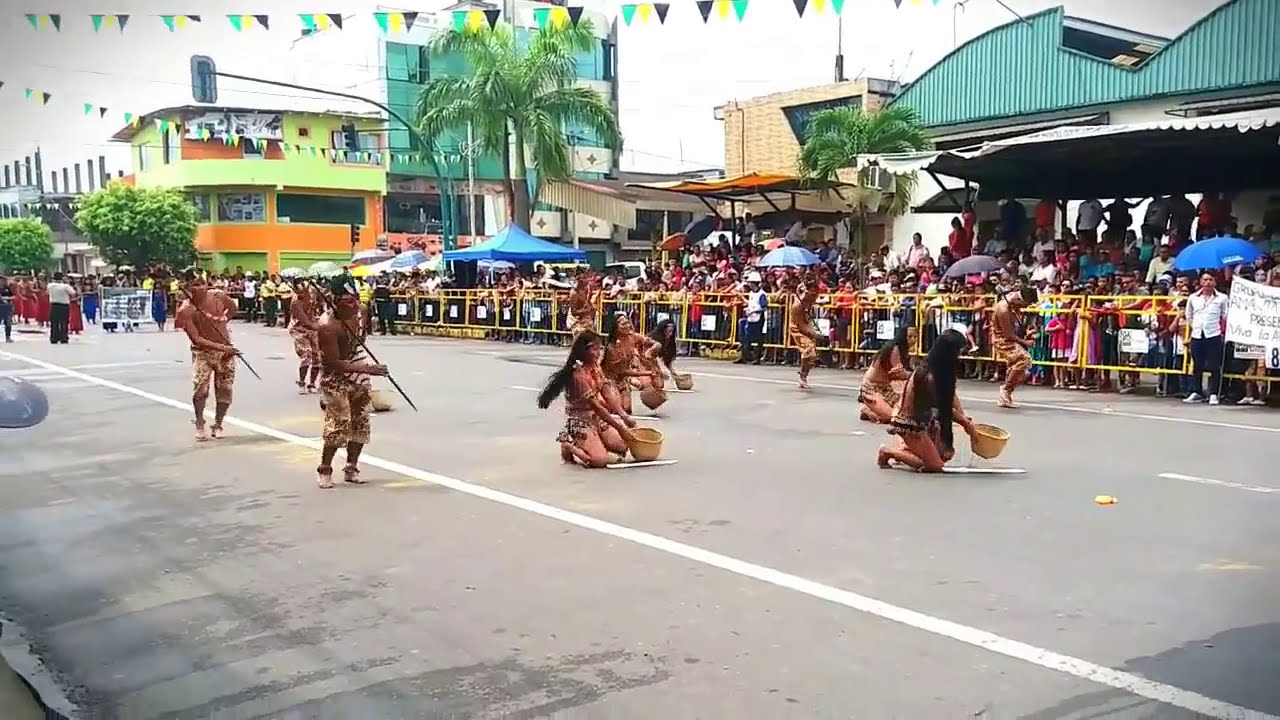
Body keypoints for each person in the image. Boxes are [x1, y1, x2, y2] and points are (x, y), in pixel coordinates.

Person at [315, 274, 388, 489]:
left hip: (357, 368)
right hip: (336, 376)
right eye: (348, 301)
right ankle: (325, 469)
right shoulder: (327, 326)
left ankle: (351, 466)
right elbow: (333, 363)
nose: (354, 304)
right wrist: (368, 369)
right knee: (339, 425)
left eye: (356, 298)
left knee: (361, 421)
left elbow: (358, 342)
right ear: (335, 300)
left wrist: (362, 361)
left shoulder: (361, 313)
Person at [877, 329, 979, 473]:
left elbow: (950, 399)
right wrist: (965, 423)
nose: (959, 356)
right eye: (958, 352)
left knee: (944, 454)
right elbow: (942, 408)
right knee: (935, 465)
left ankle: (910, 450)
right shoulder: (928, 376)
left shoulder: (941, 372)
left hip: (923, 419)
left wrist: (964, 418)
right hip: (909, 424)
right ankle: (888, 452)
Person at [537, 330, 635, 468]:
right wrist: (619, 427)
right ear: (584, 351)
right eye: (594, 349)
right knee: (599, 460)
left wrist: (623, 416)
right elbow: (597, 406)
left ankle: (597, 442)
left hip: (597, 419)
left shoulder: (595, 367)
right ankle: (568, 444)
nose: (598, 353)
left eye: (599, 348)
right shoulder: (578, 374)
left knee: (623, 445)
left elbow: (607, 393)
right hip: (581, 421)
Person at [175, 271, 240, 441]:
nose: (199, 288)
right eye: (194, 285)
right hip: (203, 353)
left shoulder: (219, 296)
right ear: (187, 288)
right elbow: (197, 339)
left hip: (225, 351)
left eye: (201, 283)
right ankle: (199, 422)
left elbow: (233, 308)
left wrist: (223, 320)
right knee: (200, 391)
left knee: (225, 389)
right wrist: (222, 347)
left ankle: (218, 423)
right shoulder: (185, 310)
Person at [601, 312, 659, 419]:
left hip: (623, 381)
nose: (627, 326)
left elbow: (657, 344)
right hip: (609, 381)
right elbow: (622, 371)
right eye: (623, 324)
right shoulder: (612, 347)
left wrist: (650, 351)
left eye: (628, 323)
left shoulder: (633, 337)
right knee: (616, 413)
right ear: (616, 328)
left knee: (627, 409)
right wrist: (647, 373)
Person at [991, 286, 1039, 408]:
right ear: (1019, 299)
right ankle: (1006, 389)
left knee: (1018, 367)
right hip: (1002, 340)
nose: (1025, 307)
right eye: (1025, 304)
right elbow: (1008, 334)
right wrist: (1025, 342)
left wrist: (1027, 332)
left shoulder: (1013, 304)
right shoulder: (1003, 310)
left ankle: (1007, 392)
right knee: (1024, 359)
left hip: (1011, 337)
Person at [858, 326, 916, 423]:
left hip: (886, 388)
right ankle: (868, 411)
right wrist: (915, 375)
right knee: (892, 417)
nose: (913, 340)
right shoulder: (894, 349)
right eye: (909, 337)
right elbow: (899, 374)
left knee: (906, 412)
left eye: (915, 337)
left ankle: (877, 410)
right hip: (871, 388)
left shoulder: (903, 351)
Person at [289, 279, 323, 393]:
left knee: (317, 356)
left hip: (313, 328)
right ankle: (302, 383)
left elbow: (321, 305)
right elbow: (304, 321)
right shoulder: (296, 303)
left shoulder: (312, 295)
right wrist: (321, 327)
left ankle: (312, 384)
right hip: (299, 329)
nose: (302, 294)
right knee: (307, 354)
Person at [788, 281, 820, 389]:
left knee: (812, 356)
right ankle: (802, 375)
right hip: (797, 328)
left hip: (806, 324)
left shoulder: (811, 299)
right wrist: (812, 333)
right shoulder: (797, 306)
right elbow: (800, 325)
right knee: (809, 351)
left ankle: (804, 375)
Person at [567, 270, 600, 338]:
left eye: (586, 278)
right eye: (582, 279)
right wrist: (588, 310)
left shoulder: (587, 290)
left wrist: (593, 308)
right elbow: (574, 312)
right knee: (580, 341)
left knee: (592, 340)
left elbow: (588, 302)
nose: (586, 280)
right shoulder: (574, 293)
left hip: (586, 319)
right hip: (577, 321)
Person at [46, 272, 77, 344]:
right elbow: (73, 293)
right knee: (64, 322)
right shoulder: (65, 286)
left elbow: (47, 292)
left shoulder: (50, 285)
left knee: (54, 322)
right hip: (64, 305)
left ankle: (54, 337)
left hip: (54, 305)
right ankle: (63, 337)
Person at [0, 276, 14, 343]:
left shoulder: (7, 288)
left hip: (7, 307)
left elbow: (13, 296)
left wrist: (7, 298)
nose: (2, 282)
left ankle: (8, 337)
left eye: (3, 280)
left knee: (8, 323)